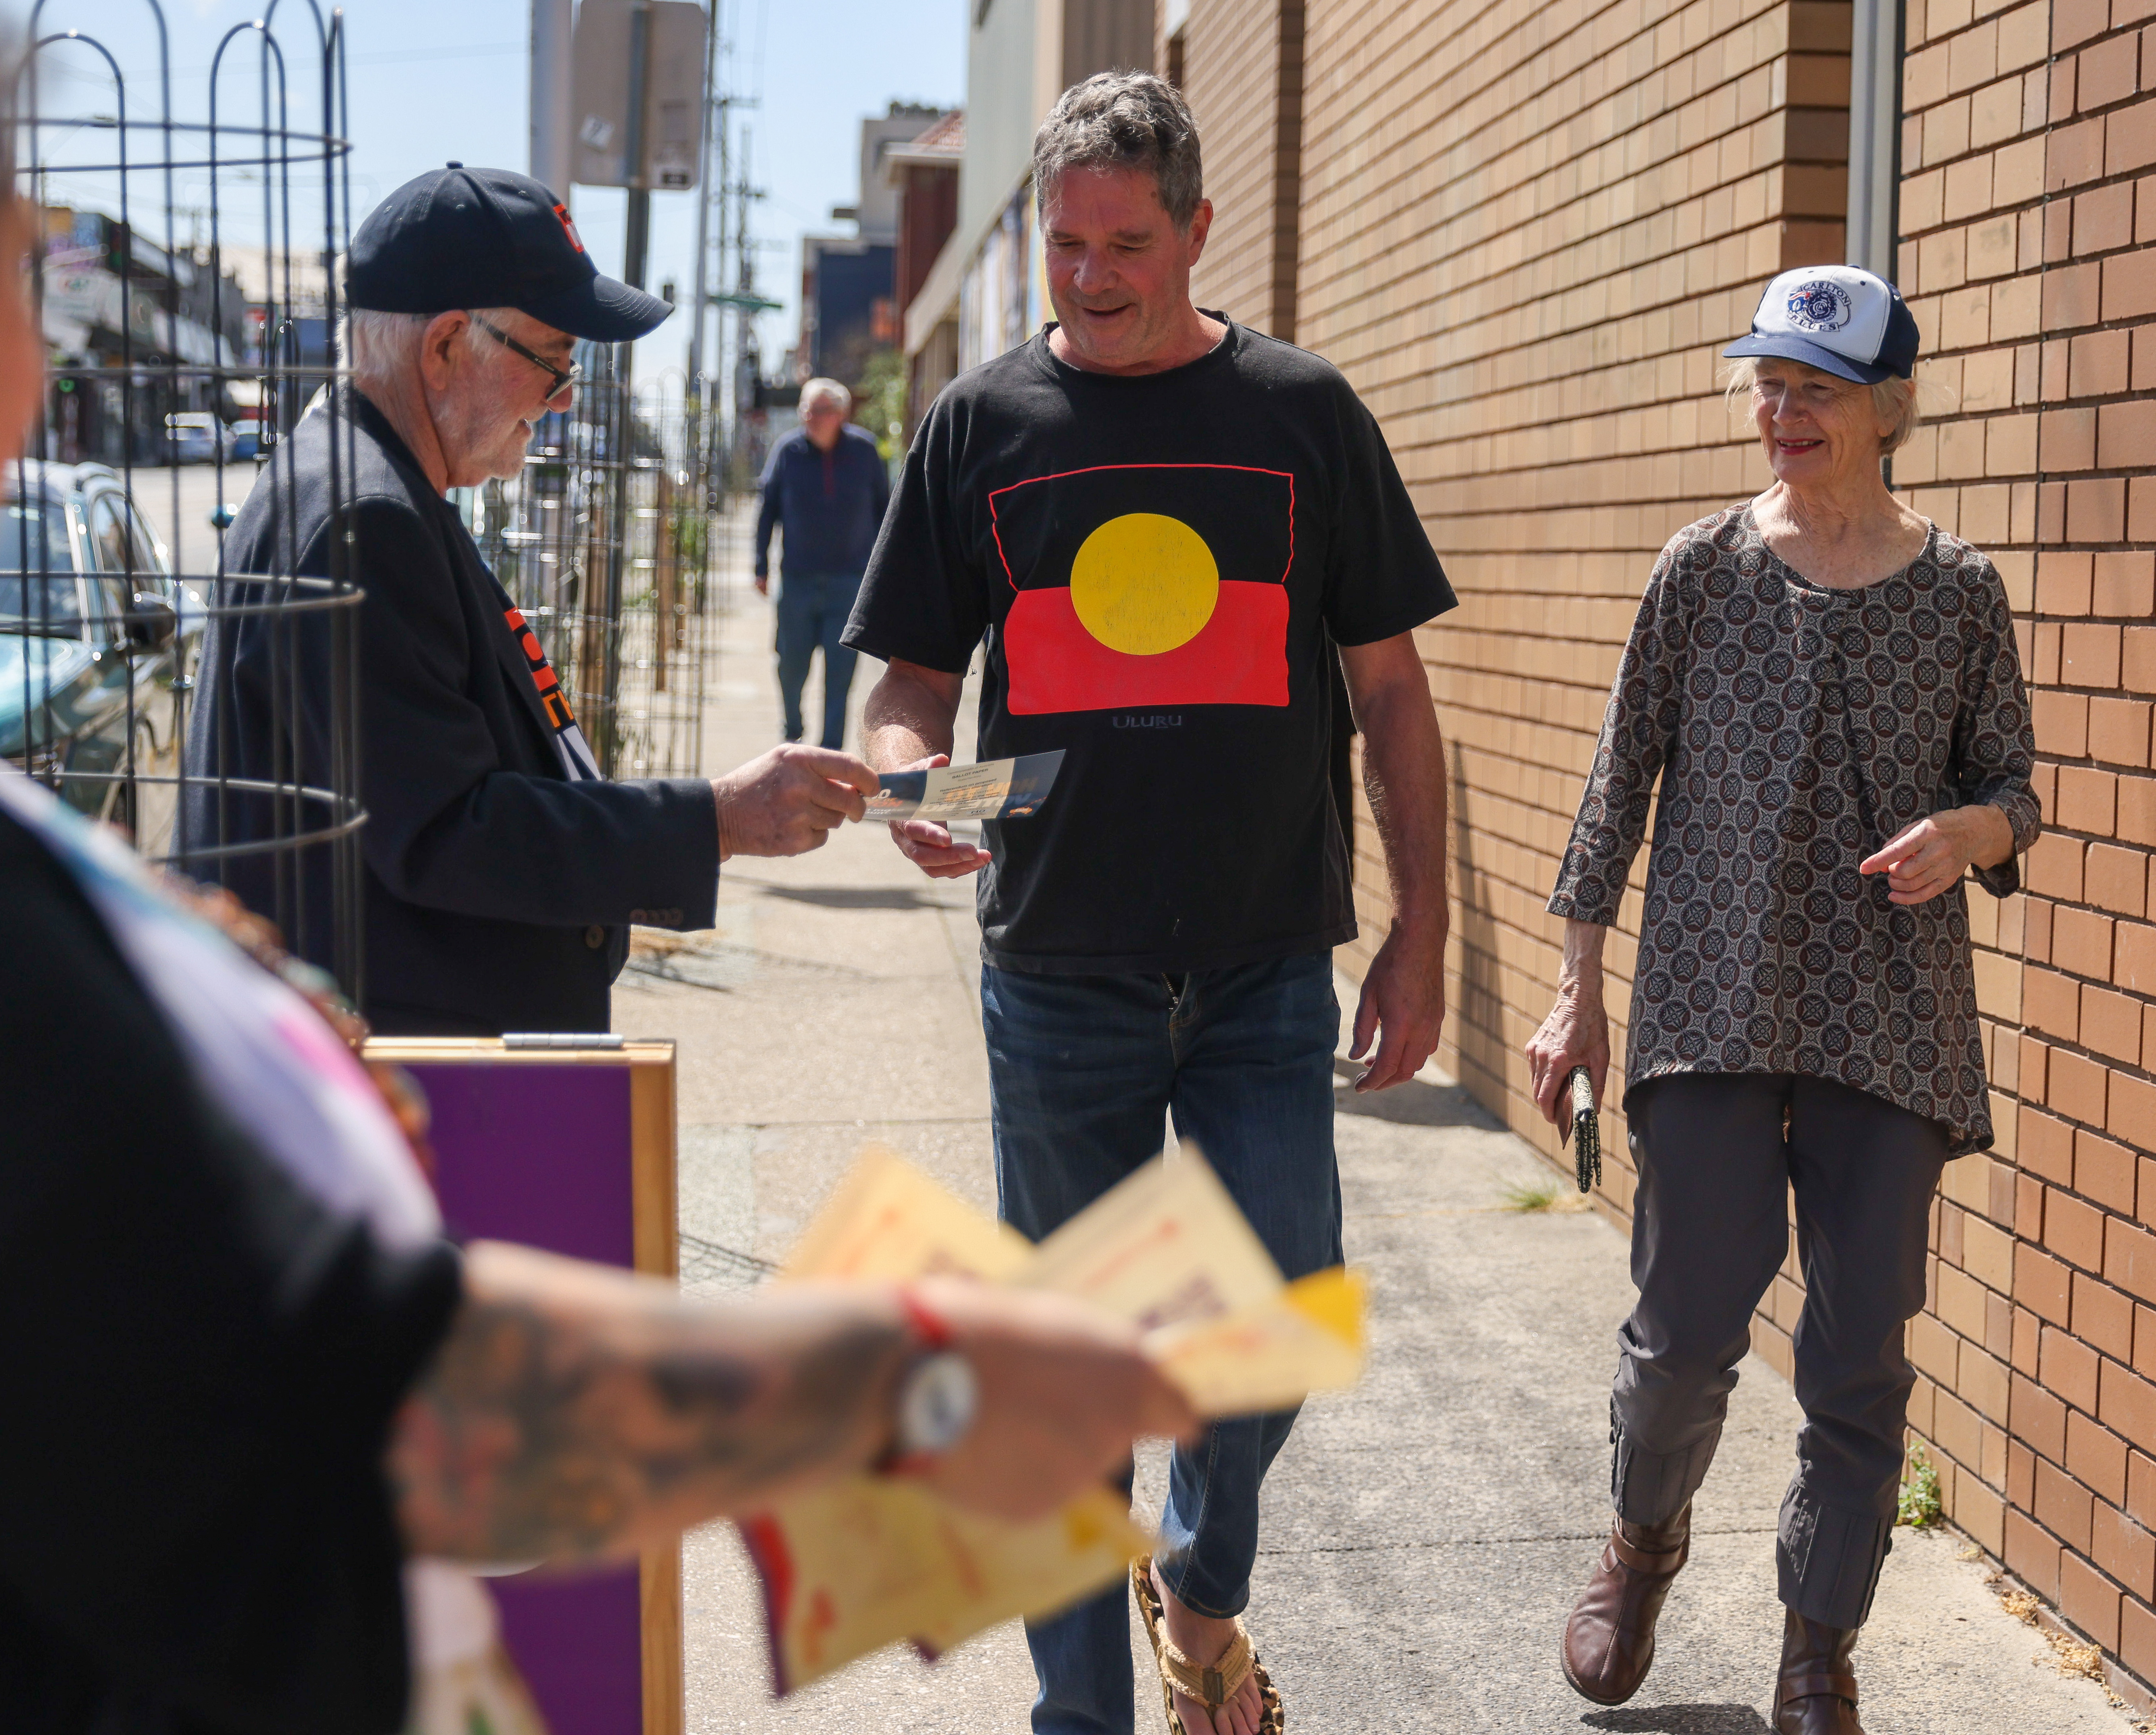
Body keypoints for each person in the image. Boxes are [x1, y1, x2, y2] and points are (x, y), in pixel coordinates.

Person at [0, 6, 1201, 1730]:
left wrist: (191, 983)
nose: (45, 352)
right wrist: (899, 1392)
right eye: (17, 262)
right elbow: (391, 1402)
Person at [847, 72, 1456, 1735]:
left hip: (1264, 960)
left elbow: (1390, 694)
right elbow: (904, 684)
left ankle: (1196, 1584)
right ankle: (1084, 1715)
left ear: (1196, 228)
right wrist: (909, 779)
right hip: (1056, 969)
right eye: (1064, 244)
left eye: (1125, 242)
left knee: (1273, 1314)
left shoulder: (1302, 413)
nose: (1091, 276)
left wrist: (1423, 926)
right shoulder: (979, 425)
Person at [1525, 265, 2037, 1735]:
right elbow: (1613, 788)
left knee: (1856, 1352)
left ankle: (1816, 1646)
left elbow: (2013, 785)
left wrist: (1971, 834)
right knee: (1684, 1328)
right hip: (1707, 1006)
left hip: (1890, 1026)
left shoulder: (1960, 591)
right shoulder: (1701, 568)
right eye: (1766, 381)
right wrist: (1578, 992)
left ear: (1889, 405)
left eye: (1814, 387)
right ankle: (1643, 1537)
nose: (1781, 409)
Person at [185, 164, 881, 1036]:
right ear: (443, 346)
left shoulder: (368, 487)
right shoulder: (363, 517)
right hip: (412, 1077)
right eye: (552, 360)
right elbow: (449, 830)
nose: (563, 397)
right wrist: (715, 820)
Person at [752, 375, 890, 750]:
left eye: (820, 411)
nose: (810, 417)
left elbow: (886, 511)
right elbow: (768, 510)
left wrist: (886, 572)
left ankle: (830, 752)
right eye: (806, 410)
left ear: (841, 414)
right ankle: (792, 730)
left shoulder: (865, 450)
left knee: (840, 676)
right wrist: (760, 564)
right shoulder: (787, 451)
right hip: (798, 579)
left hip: (850, 583)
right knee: (790, 665)